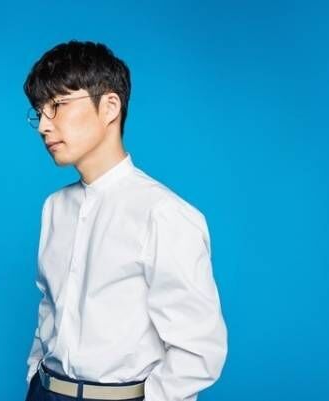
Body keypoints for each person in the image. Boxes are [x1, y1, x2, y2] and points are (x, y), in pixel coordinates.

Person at [22, 40, 228, 401]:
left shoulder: (162, 214)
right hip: (46, 391)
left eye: (57, 105)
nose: (43, 125)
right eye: (39, 111)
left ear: (110, 107)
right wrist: (34, 376)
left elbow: (199, 349)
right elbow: (50, 308)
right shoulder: (55, 207)